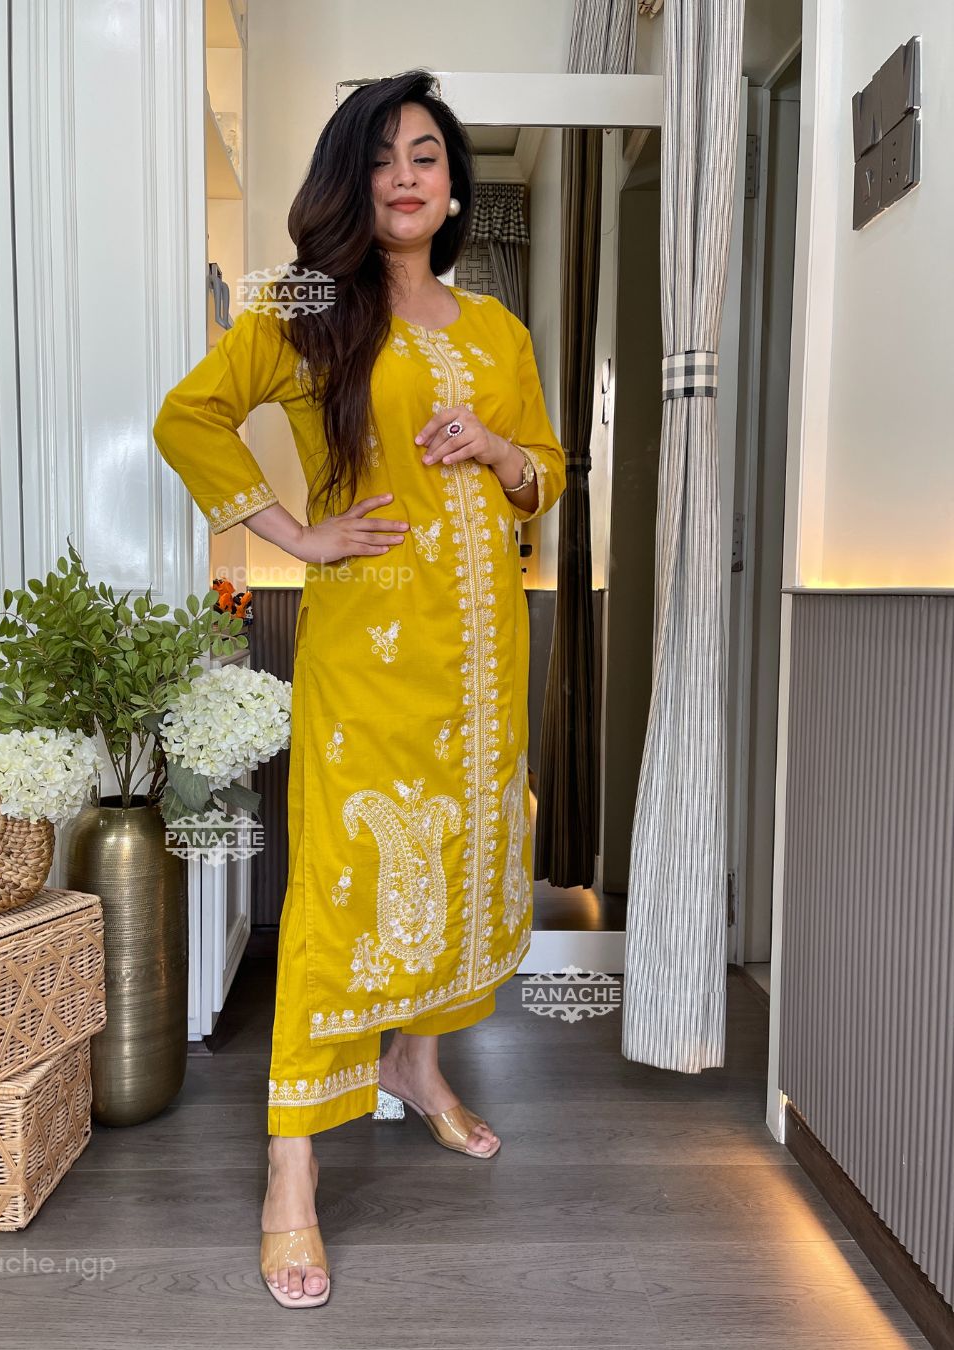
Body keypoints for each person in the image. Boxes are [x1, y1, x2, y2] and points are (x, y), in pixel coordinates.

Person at [152, 68, 567, 1310]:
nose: (404, 175)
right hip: (368, 661)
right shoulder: (308, 308)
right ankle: (292, 1170)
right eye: (380, 155)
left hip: (484, 664)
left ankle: (417, 1068)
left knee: (466, 859)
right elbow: (191, 418)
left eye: (426, 154)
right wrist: (296, 533)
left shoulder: (499, 333)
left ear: (455, 186)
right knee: (346, 892)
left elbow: (546, 475)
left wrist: (501, 449)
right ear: (351, 179)